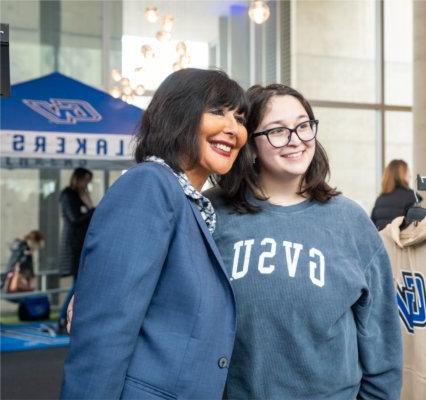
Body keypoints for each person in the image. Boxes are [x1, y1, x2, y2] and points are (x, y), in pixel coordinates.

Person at [206, 84, 402, 399]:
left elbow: (382, 347)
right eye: (277, 131)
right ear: (251, 144)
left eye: (303, 126)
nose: (295, 139)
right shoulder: (213, 214)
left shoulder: (350, 222)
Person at [61, 68, 248, 399]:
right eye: (218, 112)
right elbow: (106, 330)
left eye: (240, 117)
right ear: (179, 114)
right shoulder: (148, 185)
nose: (233, 129)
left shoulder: (193, 204)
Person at [57, 167, 94, 331]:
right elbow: (74, 219)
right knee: (78, 283)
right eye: (85, 180)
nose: (86, 184)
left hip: (81, 243)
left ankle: (65, 317)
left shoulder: (81, 195)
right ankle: (63, 317)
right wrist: (93, 211)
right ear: (78, 179)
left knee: (79, 283)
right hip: (73, 245)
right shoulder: (68, 195)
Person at [371, 159, 422, 230]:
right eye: (408, 172)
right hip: (399, 240)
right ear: (402, 174)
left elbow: (372, 225)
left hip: (382, 239)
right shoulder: (411, 196)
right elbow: (416, 226)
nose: (410, 175)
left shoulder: (380, 199)